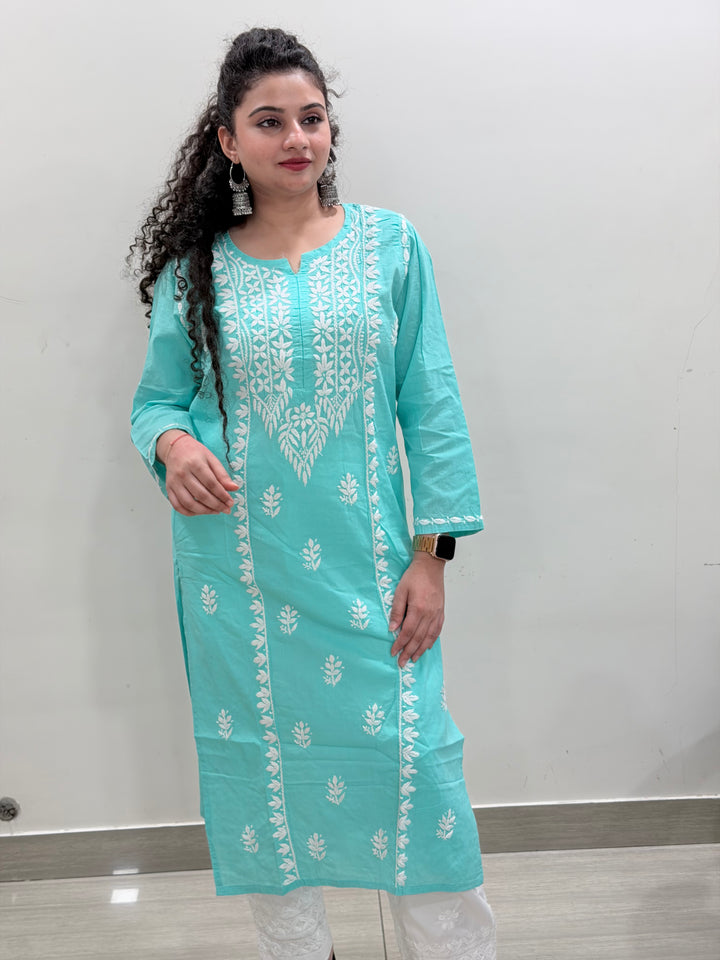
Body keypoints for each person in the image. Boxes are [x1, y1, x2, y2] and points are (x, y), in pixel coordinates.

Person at [129, 26, 496, 960]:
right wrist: (172, 443)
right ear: (228, 139)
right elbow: (156, 401)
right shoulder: (195, 270)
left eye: (313, 118)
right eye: (269, 121)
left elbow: (432, 404)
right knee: (265, 788)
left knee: (420, 772)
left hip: (373, 572)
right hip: (241, 581)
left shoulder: (389, 247)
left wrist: (432, 559)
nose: (297, 138)